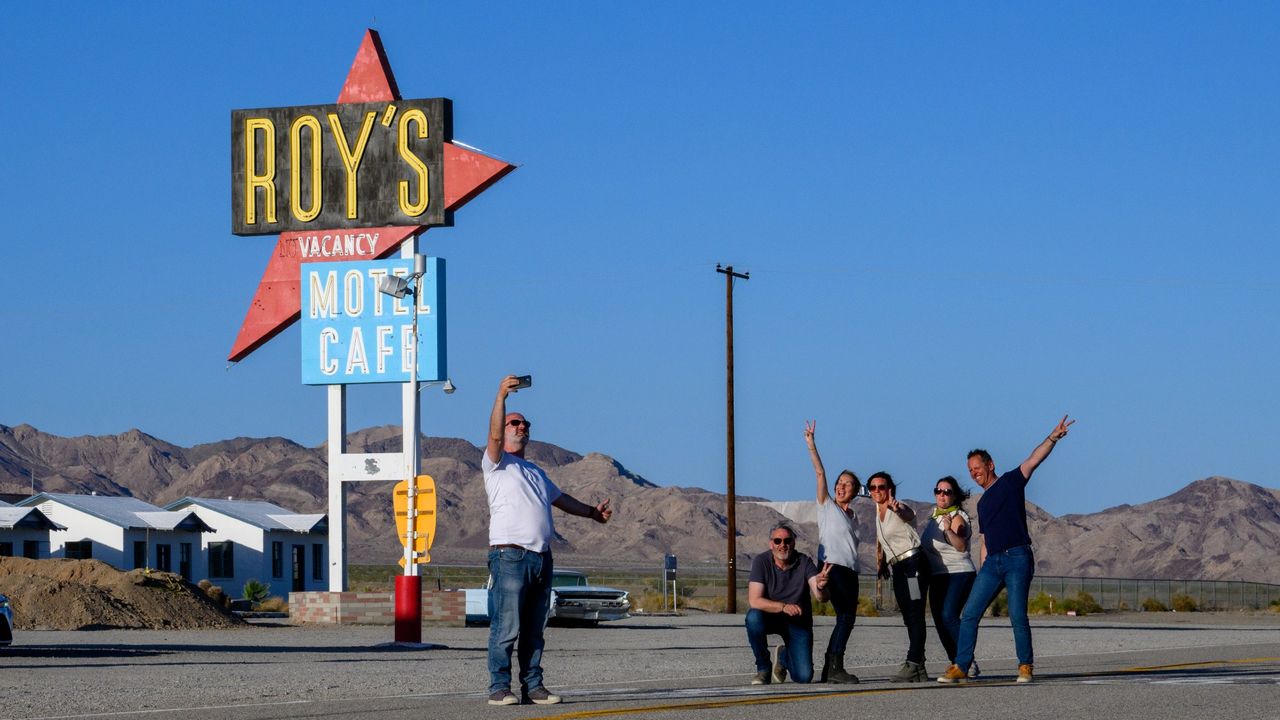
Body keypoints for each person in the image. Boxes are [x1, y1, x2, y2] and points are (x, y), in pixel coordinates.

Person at [482, 375, 614, 706]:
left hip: (541, 556)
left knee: (534, 628)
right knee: (506, 625)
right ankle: (499, 687)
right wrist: (501, 397)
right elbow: (495, 434)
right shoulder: (496, 464)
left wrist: (591, 513)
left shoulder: (536, 472)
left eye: (525, 424)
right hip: (509, 556)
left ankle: (533, 685)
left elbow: (561, 499)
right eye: (515, 423)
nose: (520, 427)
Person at [938, 415, 1075, 685]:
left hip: (1018, 557)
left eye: (977, 468)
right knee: (969, 614)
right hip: (992, 563)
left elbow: (1033, 460)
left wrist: (1052, 438)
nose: (974, 473)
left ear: (990, 465)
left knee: (1016, 614)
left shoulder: (1011, 482)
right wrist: (982, 569)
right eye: (970, 471)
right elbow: (985, 540)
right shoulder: (982, 503)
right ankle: (961, 665)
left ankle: (1025, 665)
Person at [803, 420, 861, 683]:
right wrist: (812, 444)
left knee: (847, 619)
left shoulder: (854, 517)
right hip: (831, 566)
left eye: (847, 484)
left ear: (855, 491)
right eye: (839, 481)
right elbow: (819, 474)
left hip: (850, 571)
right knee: (845, 616)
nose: (840, 486)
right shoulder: (827, 505)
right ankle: (834, 665)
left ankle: (832, 667)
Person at [745, 523, 831, 685]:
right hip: (770, 618)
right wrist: (783, 607)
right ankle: (763, 668)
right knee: (753, 618)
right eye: (777, 541)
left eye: (787, 541)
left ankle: (784, 657)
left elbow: (821, 598)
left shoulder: (804, 562)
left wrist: (822, 586)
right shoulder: (761, 562)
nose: (782, 545)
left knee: (803, 677)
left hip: (798, 623)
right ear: (771, 544)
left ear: (794, 542)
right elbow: (754, 600)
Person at [870, 471, 931, 682]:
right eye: (873, 488)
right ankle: (920, 667)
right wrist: (881, 563)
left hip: (913, 565)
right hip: (898, 568)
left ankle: (912, 662)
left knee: (915, 613)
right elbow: (881, 541)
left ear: (890, 489)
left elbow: (909, 515)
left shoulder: (899, 506)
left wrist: (897, 508)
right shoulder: (877, 513)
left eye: (882, 487)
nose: (877, 491)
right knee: (907, 615)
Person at [920, 475, 978, 677]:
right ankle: (956, 661)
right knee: (938, 619)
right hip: (938, 575)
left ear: (955, 496)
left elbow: (961, 546)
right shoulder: (933, 516)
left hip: (959, 572)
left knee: (949, 616)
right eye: (938, 491)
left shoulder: (957, 517)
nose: (942, 495)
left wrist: (948, 531)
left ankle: (967, 661)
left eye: (947, 492)